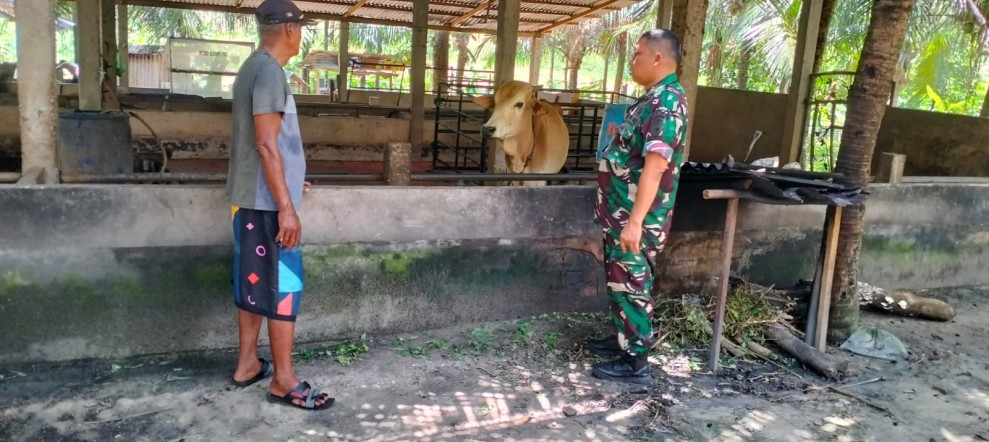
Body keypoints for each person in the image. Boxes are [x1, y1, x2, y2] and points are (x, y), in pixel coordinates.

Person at [226, 0, 332, 411]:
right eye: (302, 28)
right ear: (290, 29)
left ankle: (247, 364)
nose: (301, 35)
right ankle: (283, 381)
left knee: (253, 284)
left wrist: (288, 179)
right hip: (268, 208)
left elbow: (268, 147)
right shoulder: (269, 72)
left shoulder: (252, 67)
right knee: (284, 286)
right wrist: (286, 205)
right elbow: (265, 143)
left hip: (250, 202)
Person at [586, 29, 689, 385]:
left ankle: (635, 363)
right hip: (620, 212)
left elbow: (656, 167)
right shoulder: (652, 99)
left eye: (638, 54)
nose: (633, 61)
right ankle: (623, 340)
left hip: (635, 217)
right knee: (620, 281)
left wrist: (635, 222)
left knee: (632, 283)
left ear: (658, 58)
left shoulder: (667, 103)